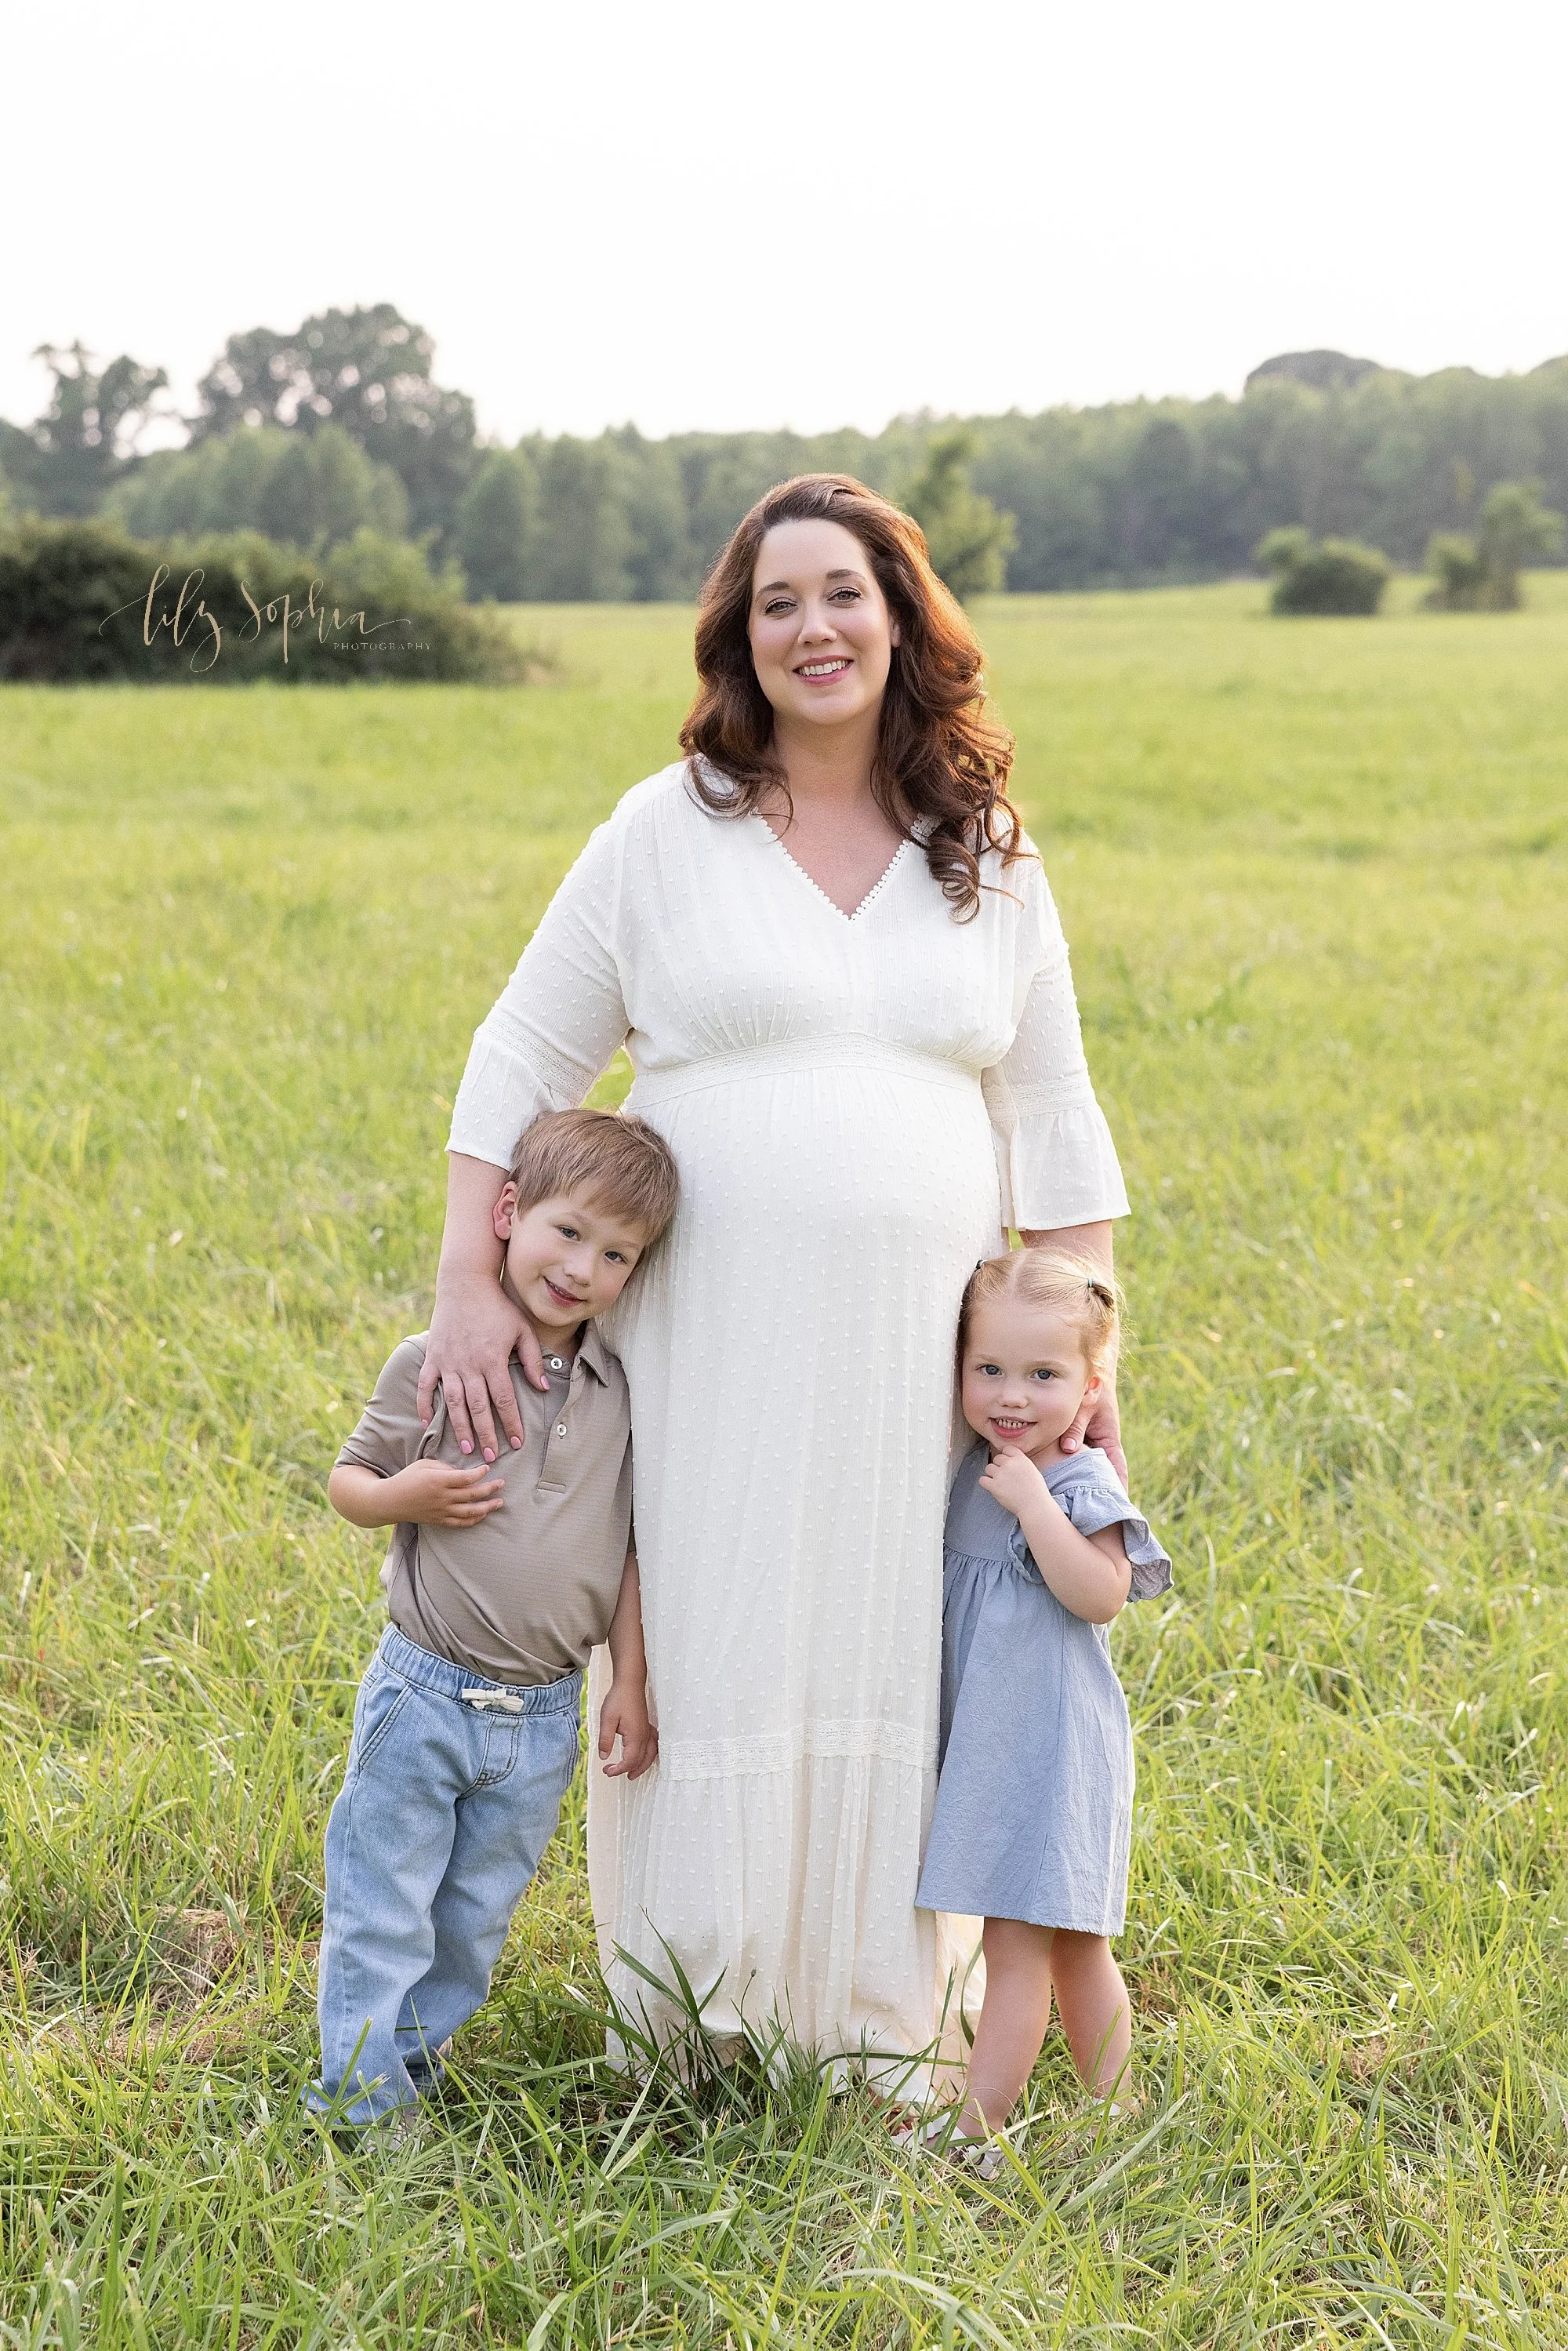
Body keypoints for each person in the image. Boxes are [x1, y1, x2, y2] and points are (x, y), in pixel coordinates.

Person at [425, 473, 1131, 2085]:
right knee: (719, 1621)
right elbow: (521, 1053)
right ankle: (694, 2016)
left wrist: (1088, 1395)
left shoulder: (987, 853)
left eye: (843, 592)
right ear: (739, 639)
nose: (813, 625)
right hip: (707, 1338)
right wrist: (469, 1279)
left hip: (923, 1360)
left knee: (896, 1632)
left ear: (901, 617)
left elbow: (1057, 1130)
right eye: (776, 600)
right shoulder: (664, 829)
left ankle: (881, 2024)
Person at [309, 1108, 677, 2128]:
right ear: (507, 1213)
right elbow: (348, 1481)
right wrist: (407, 1497)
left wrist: (632, 1683)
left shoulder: (619, 1394)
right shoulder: (440, 1357)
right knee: (384, 1901)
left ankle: (411, 2071)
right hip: (424, 1686)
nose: (584, 1267)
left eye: (617, 1254)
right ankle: (358, 2105)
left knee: (471, 1918)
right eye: (568, 1231)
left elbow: (632, 1551)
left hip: (544, 1712)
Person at [907, 1250, 1172, 2171]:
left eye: (1043, 1375)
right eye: (989, 1369)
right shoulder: (974, 1466)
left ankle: (975, 2131)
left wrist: (1034, 1508)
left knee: (1024, 1949)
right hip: (1003, 1739)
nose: (1011, 1395)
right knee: (1067, 1947)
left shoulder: (1070, 1479)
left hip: (1051, 1746)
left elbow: (1100, 1593)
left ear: (1091, 1386)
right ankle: (1117, 2105)